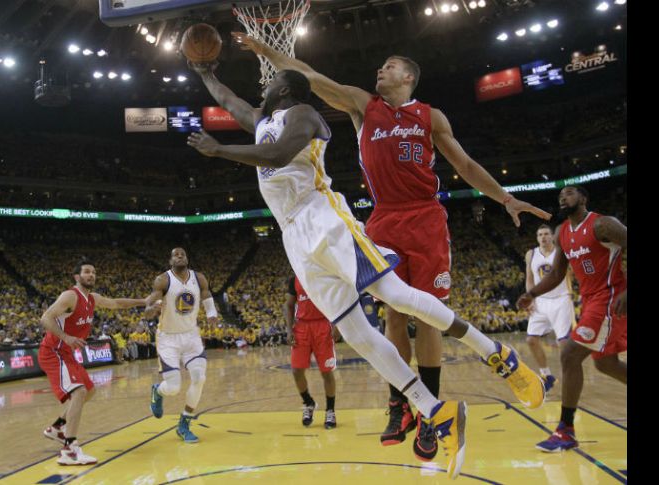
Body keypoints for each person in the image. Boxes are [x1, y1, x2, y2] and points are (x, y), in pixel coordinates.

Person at [186, 62, 545, 478]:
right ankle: (436, 411)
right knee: (357, 334)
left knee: (395, 296)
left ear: (284, 90)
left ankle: (497, 353)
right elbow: (229, 100)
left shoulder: (304, 114)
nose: (262, 87)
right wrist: (205, 72)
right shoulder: (262, 121)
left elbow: (277, 155)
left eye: (271, 83)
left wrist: (218, 150)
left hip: (325, 219)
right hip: (293, 236)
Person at [517, 186, 627, 452]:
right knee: (606, 364)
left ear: (583, 198)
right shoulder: (562, 232)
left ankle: (565, 430)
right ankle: (566, 431)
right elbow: (556, 274)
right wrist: (531, 294)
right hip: (590, 301)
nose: (563, 197)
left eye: (569, 193)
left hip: (610, 299)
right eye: (560, 196)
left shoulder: (603, 224)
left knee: (569, 354)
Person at [39, 261, 146, 465]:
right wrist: (66, 337)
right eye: (87, 272)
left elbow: (116, 303)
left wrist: (143, 301)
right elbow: (45, 318)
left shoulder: (92, 298)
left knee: (89, 390)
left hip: (67, 353)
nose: (91, 275)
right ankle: (69, 450)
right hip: (53, 352)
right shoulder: (70, 296)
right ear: (77, 277)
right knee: (79, 392)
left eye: (94, 272)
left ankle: (57, 427)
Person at [144, 247, 218, 443]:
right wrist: (151, 310)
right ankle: (158, 391)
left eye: (182, 254)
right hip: (168, 338)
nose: (179, 256)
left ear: (187, 258)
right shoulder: (163, 280)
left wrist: (211, 313)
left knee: (199, 378)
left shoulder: (199, 278)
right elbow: (151, 304)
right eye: (175, 255)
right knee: (173, 387)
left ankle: (184, 423)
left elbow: (206, 294)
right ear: (170, 261)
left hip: (191, 335)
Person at [524, 224, 576, 390]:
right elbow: (529, 278)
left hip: (561, 299)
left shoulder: (562, 252)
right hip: (540, 300)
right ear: (537, 238)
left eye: (546, 234)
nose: (543, 237)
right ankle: (547, 376)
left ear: (552, 236)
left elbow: (572, 273)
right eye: (540, 235)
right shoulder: (531, 254)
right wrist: (530, 298)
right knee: (531, 340)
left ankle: (569, 376)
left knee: (564, 343)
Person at [284, 275, 337, 429]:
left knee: (326, 372)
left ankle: (330, 410)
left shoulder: (324, 274)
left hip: (323, 325)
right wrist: (289, 330)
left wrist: (337, 325)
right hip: (301, 327)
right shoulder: (294, 279)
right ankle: (308, 403)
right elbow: (288, 305)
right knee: (296, 371)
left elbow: (335, 301)